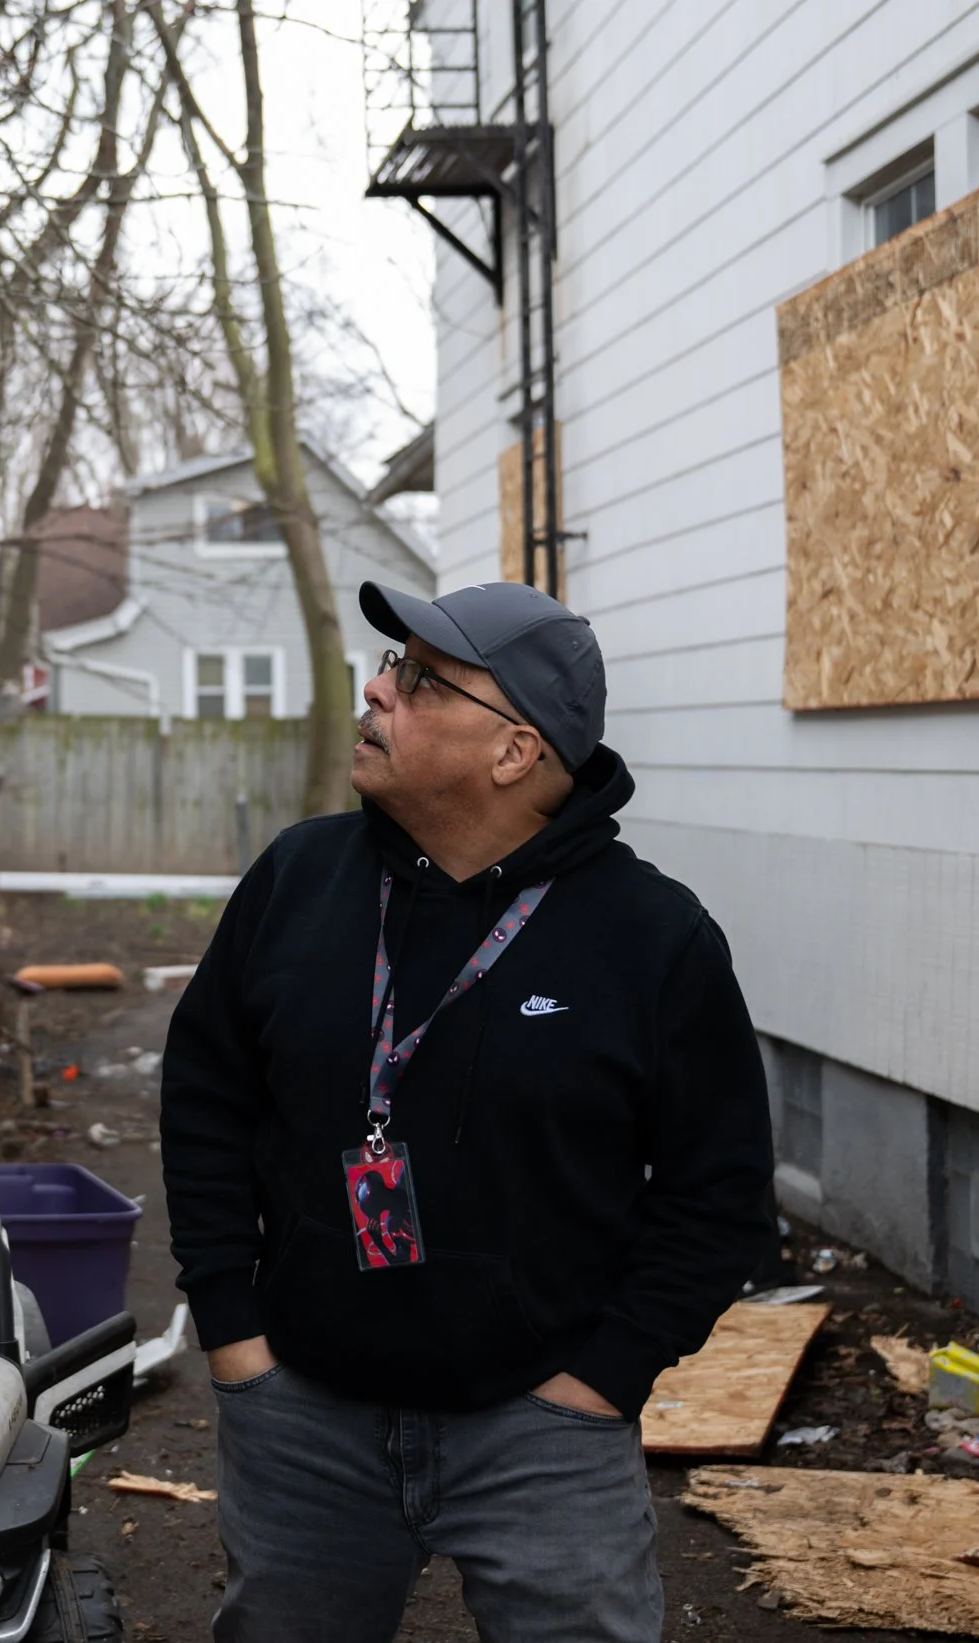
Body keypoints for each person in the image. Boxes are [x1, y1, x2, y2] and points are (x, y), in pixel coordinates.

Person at [159, 580, 775, 1643]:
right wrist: (233, 1333)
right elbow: (206, 1098)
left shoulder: (652, 936)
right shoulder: (297, 879)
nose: (377, 688)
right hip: (304, 1411)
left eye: (418, 677)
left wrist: (602, 1380)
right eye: (391, 664)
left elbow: (716, 1198)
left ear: (513, 752)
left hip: (542, 1430)